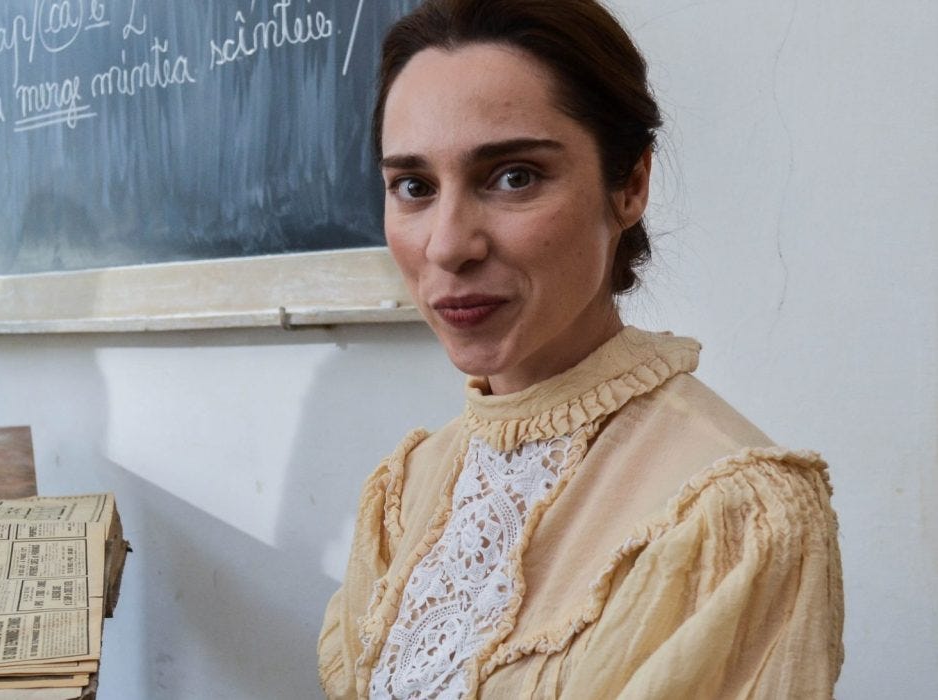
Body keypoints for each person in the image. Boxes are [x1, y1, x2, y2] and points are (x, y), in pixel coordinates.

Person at [316, 0, 844, 697]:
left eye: (514, 176)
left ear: (630, 185)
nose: (447, 245)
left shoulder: (735, 513)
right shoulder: (405, 492)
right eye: (413, 187)